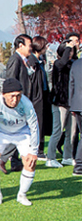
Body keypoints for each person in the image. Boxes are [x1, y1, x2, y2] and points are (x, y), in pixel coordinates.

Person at [0, 78, 38, 206]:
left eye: (18, 96)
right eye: (12, 96)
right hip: (1, 133)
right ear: (3, 95)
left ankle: (22, 195)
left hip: (22, 134)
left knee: (30, 162)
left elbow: (34, 128)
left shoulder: (26, 104)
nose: (15, 100)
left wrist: (34, 151)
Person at [2, 34, 34, 171]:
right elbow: (10, 80)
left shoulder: (23, 60)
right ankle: (3, 157)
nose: (31, 48)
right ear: (20, 45)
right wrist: (12, 100)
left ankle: (15, 161)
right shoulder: (15, 60)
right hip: (17, 101)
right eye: (29, 45)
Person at [48, 33, 80, 167]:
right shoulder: (58, 63)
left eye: (72, 51)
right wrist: (68, 47)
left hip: (71, 102)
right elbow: (62, 63)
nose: (71, 53)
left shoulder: (74, 64)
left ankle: (67, 156)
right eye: (68, 51)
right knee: (58, 130)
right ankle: (51, 158)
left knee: (71, 132)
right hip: (59, 102)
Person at [29, 35, 52, 159]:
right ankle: (36, 150)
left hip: (43, 95)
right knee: (37, 124)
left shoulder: (40, 61)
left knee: (42, 123)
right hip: (36, 97)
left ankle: (40, 149)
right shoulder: (32, 62)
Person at [69, 55, 82, 176]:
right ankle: (79, 165)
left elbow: (71, 84)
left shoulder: (76, 64)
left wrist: (71, 104)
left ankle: (78, 164)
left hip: (77, 104)